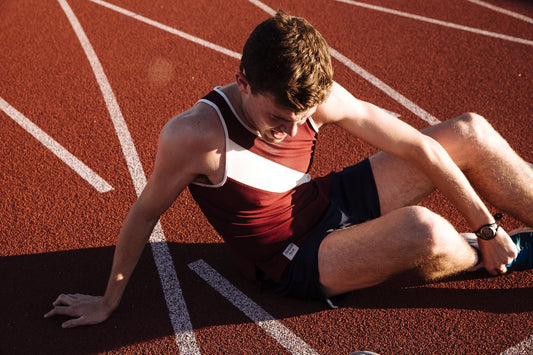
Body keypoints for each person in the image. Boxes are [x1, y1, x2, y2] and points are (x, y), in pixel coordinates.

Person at [45, 12, 533, 328]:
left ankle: (494, 237)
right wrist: (107, 301)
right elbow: (143, 214)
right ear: (243, 81)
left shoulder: (314, 99)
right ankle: (499, 254)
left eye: (301, 119)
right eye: (278, 118)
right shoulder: (192, 136)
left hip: (326, 200)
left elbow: (418, 148)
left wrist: (484, 222)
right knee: (423, 230)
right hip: (291, 257)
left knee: (469, 131)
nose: (290, 129)